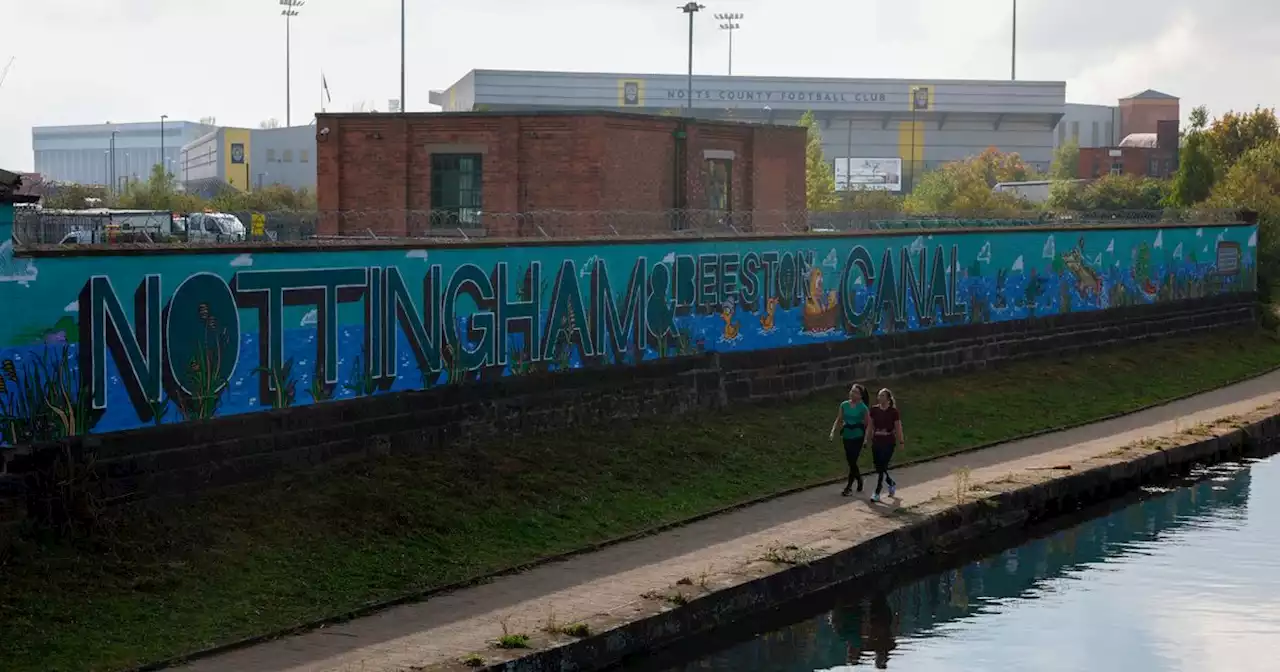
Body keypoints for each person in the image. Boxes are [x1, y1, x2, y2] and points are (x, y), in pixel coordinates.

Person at [829, 384, 871, 496]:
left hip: (858, 436)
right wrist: (833, 431)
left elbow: (868, 425)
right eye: (852, 391)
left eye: (856, 392)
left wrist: (866, 439)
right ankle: (859, 479)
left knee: (853, 460)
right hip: (847, 435)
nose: (852, 394)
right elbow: (839, 419)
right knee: (851, 461)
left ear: (861, 396)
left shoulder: (863, 408)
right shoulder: (844, 405)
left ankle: (848, 487)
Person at [866, 388, 905, 503]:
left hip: (888, 441)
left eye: (882, 396)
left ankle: (877, 491)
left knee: (883, 463)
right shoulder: (874, 409)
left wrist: (901, 441)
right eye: (879, 395)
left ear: (888, 398)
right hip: (877, 439)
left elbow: (898, 427)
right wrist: (866, 439)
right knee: (879, 466)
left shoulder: (893, 412)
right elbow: (870, 425)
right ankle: (890, 482)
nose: (880, 398)